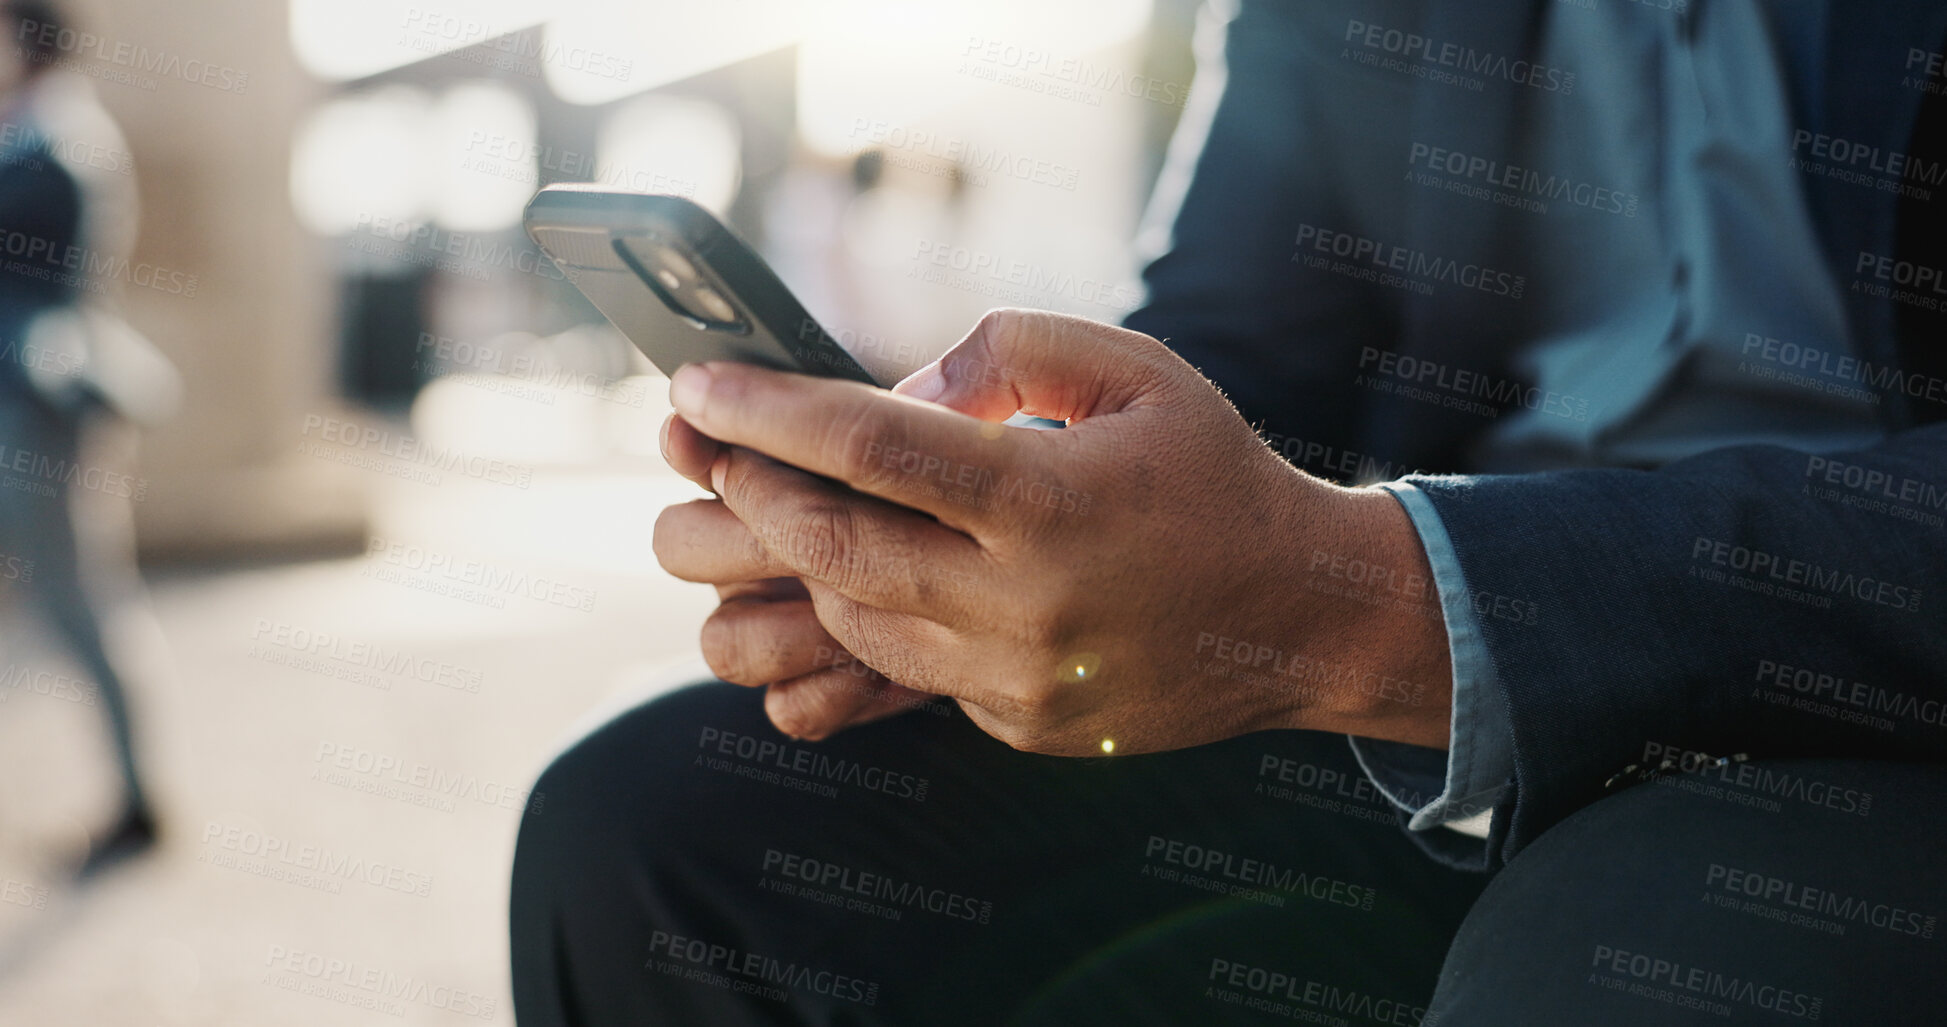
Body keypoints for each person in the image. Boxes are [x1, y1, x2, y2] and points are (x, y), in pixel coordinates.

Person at [512, 1, 1947, 1023]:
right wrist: (988, 536)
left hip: (1857, 703)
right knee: (663, 835)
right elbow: (1242, 355)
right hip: (1406, 675)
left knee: (1618, 958)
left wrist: (1364, 600)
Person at [0, 0, 166, 877]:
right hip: (26, 407)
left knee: (78, 606)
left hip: (32, 415)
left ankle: (138, 802)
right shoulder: (36, 136)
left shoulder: (55, 144)